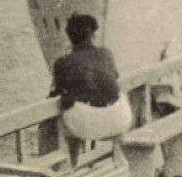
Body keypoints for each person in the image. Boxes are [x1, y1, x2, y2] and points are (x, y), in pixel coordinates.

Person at [50, 14, 132, 162]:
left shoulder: (62, 62)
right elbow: (113, 76)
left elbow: (57, 91)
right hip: (120, 119)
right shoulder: (106, 54)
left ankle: (68, 165)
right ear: (93, 35)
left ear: (69, 36)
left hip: (88, 125)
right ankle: (118, 160)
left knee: (57, 121)